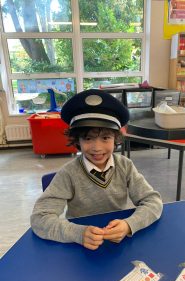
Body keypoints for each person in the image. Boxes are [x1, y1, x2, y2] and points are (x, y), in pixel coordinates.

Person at [30, 89, 163, 250]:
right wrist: (77, 233)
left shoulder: (125, 166)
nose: (97, 148)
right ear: (77, 140)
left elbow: (153, 201)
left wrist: (129, 225)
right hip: (79, 245)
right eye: (88, 138)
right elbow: (39, 218)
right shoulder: (69, 173)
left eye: (105, 137)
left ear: (116, 139)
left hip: (118, 242)